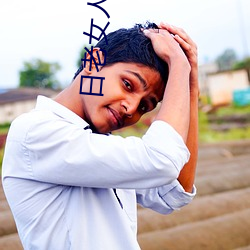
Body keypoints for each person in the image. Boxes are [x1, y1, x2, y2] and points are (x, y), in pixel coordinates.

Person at [2, 22, 199, 250]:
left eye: (145, 106)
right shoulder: (35, 132)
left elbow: (174, 192)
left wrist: (191, 86)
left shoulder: (98, 143)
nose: (131, 108)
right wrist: (179, 65)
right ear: (92, 62)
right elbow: (162, 161)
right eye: (128, 84)